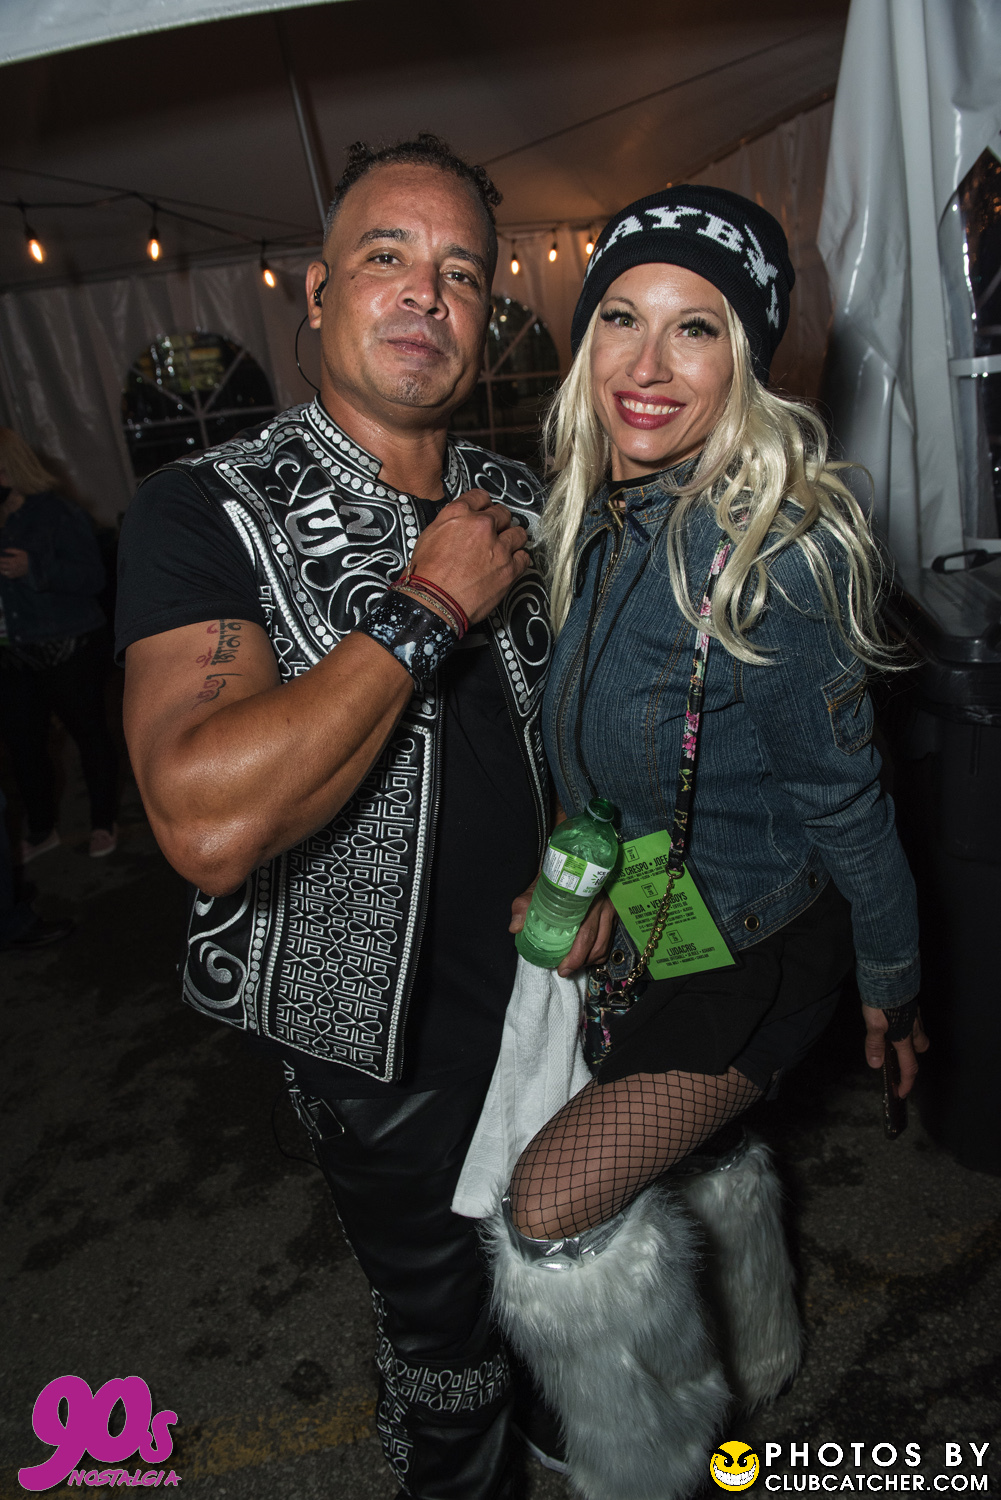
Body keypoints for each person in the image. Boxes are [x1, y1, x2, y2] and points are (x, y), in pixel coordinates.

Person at [116, 134, 577, 1500]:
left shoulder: (526, 499)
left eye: (461, 272)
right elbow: (203, 821)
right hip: (384, 1050)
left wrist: (609, 882)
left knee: (577, 1288)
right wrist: (427, 604)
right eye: (388, 257)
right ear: (316, 297)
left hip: (567, 990)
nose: (427, 294)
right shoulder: (206, 511)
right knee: (449, 1356)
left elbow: (598, 740)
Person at [493, 186, 929, 1500]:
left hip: (761, 943)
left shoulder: (773, 555)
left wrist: (894, 984)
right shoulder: (592, 519)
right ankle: (760, 1339)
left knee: (546, 1212)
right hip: (653, 906)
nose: (647, 363)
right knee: (709, 1154)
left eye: (696, 328)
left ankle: (645, 1463)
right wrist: (570, 885)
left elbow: (851, 806)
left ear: (744, 359)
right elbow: (594, 762)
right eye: (620, 317)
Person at [0, 429, 119, 860]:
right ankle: (41, 829)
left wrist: (35, 568)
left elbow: (93, 578)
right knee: (24, 747)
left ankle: (104, 821)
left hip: (69, 646)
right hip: (14, 650)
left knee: (89, 735)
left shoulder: (57, 513)